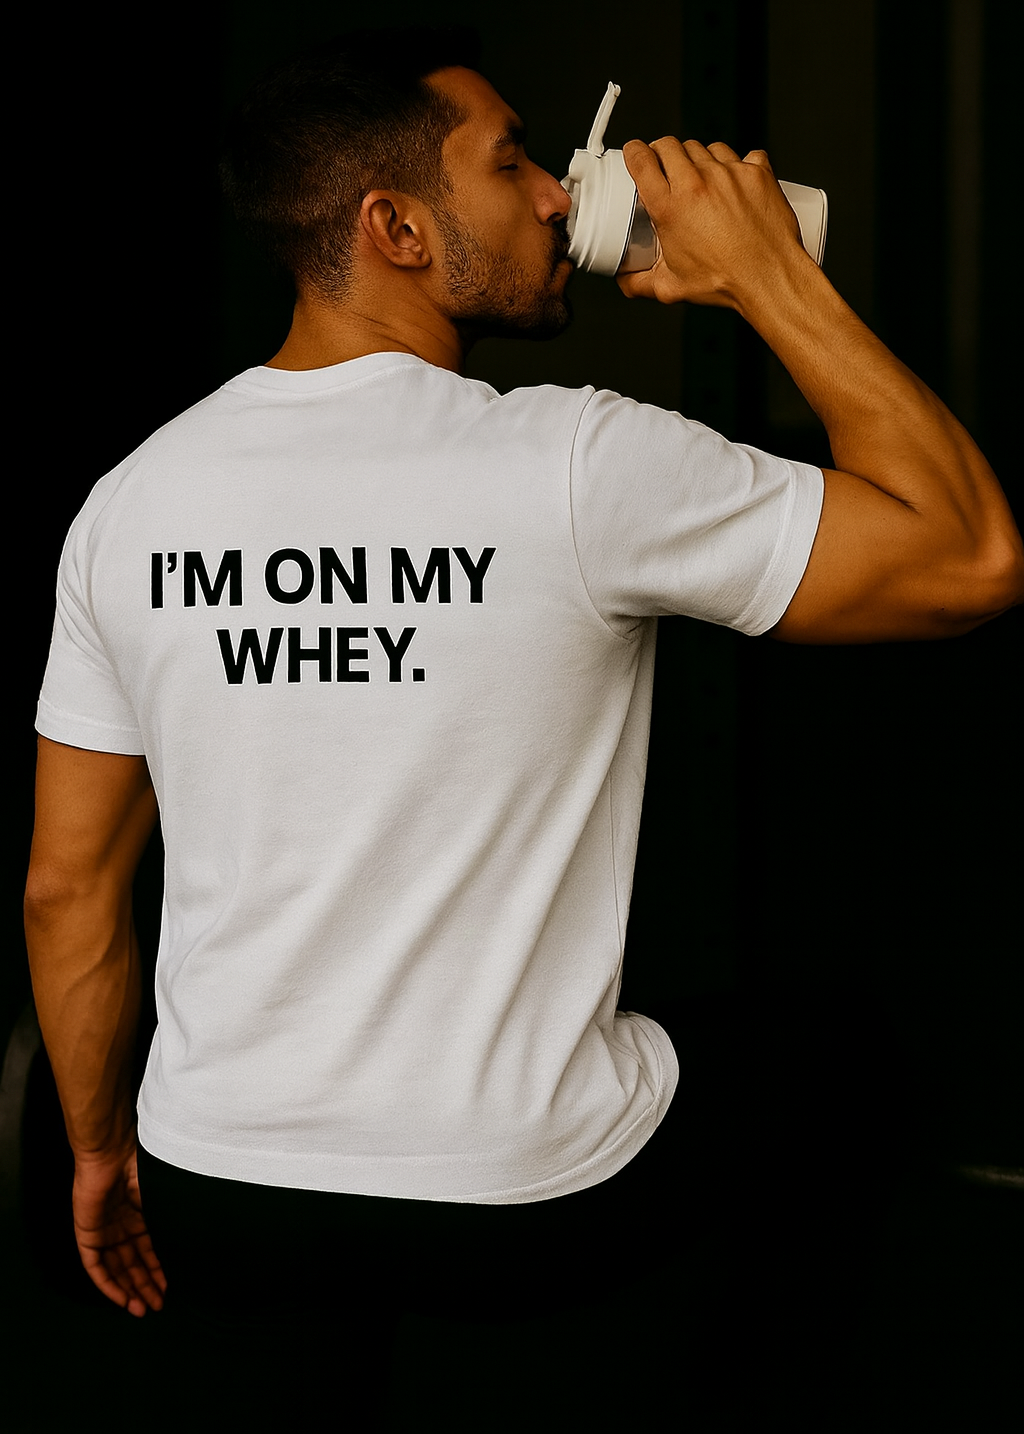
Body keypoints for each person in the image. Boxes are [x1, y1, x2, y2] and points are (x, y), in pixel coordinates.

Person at [24, 21, 1022, 1416]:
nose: (561, 192)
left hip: (218, 1183)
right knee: (842, 1068)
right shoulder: (577, 459)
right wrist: (774, 281)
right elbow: (969, 557)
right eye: (511, 161)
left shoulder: (129, 504)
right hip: (522, 1200)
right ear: (397, 228)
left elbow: (69, 889)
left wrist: (96, 1149)